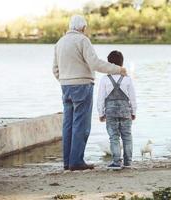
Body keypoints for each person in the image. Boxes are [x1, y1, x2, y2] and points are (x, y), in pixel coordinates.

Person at [52, 15, 127, 171]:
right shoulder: (82, 40)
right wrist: (118, 69)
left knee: (68, 125)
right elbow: (95, 64)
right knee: (81, 124)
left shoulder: (59, 43)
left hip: (65, 87)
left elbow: (55, 69)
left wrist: (65, 80)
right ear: (83, 28)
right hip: (82, 86)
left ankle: (67, 162)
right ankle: (76, 162)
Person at [97, 50, 137, 169]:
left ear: (109, 64)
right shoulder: (127, 79)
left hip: (110, 112)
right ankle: (128, 162)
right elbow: (133, 98)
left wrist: (101, 113)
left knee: (113, 137)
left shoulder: (105, 79)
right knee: (127, 136)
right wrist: (133, 112)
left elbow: (100, 99)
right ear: (121, 63)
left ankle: (116, 162)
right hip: (125, 112)